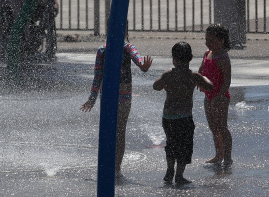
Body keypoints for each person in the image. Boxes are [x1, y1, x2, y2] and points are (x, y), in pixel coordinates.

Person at [80, 23, 153, 179]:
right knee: (107, 132)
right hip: (106, 96)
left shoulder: (128, 48)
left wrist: (143, 66)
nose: (120, 31)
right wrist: (92, 98)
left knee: (120, 132)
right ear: (108, 29)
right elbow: (97, 76)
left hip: (124, 96)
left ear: (126, 30)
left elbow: (138, 59)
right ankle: (106, 166)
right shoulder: (102, 50)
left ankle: (117, 168)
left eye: (123, 28)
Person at [153, 42, 213, 185]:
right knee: (184, 146)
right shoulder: (193, 76)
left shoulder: (168, 74)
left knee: (171, 144)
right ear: (191, 58)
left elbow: (155, 86)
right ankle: (179, 175)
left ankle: (169, 170)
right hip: (185, 117)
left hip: (168, 117)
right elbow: (210, 86)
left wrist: (164, 84)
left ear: (174, 59)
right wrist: (202, 77)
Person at [198, 23, 233, 166]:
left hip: (221, 97)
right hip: (208, 96)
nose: (208, 42)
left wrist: (219, 96)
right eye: (206, 39)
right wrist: (198, 80)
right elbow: (201, 69)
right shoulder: (207, 53)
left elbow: (227, 81)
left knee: (222, 127)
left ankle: (228, 157)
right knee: (213, 127)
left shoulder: (223, 59)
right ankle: (218, 155)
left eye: (211, 40)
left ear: (222, 40)